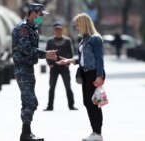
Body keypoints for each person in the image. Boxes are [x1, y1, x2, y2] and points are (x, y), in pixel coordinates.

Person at [12, 3, 57, 141]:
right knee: (31, 101)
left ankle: (27, 133)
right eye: (40, 14)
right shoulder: (22, 28)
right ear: (33, 13)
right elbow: (25, 48)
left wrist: (48, 56)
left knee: (27, 102)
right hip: (22, 68)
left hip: (29, 68)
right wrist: (45, 54)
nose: (41, 17)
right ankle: (25, 133)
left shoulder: (32, 28)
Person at [56, 13, 105, 141]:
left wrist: (99, 76)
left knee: (94, 103)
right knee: (87, 102)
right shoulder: (83, 39)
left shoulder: (95, 39)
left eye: (77, 25)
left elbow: (99, 59)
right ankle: (95, 132)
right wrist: (69, 60)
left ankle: (97, 133)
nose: (76, 27)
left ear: (84, 24)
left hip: (93, 73)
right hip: (85, 73)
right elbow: (83, 58)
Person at [44, 22, 78, 111]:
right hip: (54, 67)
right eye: (56, 29)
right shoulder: (50, 41)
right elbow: (46, 53)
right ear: (54, 30)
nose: (58, 31)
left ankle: (71, 105)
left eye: (59, 29)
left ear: (62, 30)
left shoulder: (67, 40)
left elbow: (71, 53)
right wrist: (50, 64)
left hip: (64, 67)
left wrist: (67, 64)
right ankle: (50, 106)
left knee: (68, 86)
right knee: (52, 87)